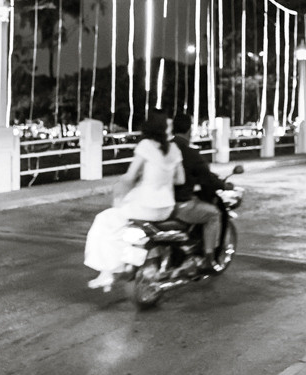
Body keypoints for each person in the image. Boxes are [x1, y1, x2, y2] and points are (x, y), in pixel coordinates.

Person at [84, 110, 185, 292]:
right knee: (120, 223)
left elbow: (129, 177)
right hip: (166, 208)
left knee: (105, 221)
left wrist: (125, 185)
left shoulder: (146, 146)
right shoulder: (175, 149)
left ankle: (107, 272)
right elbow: (180, 180)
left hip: (145, 206)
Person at [171, 113, 226, 268]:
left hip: (161, 203)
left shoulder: (165, 149)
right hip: (181, 205)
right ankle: (208, 258)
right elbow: (207, 178)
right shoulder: (190, 153)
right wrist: (223, 185)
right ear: (189, 130)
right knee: (214, 214)